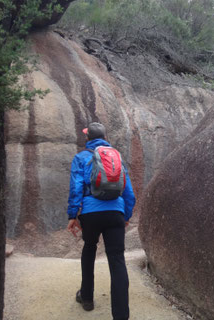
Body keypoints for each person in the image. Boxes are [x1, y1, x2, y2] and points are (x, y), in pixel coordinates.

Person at [67, 122, 136, 320]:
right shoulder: (116, 158)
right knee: (117, 260)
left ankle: (87, 298)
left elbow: (76, 187)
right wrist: (126, 216)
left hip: (90, 212)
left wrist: (73, 215)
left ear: (88, 138)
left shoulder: (81, 157)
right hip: (115, 211)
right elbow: (129, 192)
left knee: (89, 248)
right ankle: (121, 315)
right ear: (105, 138)